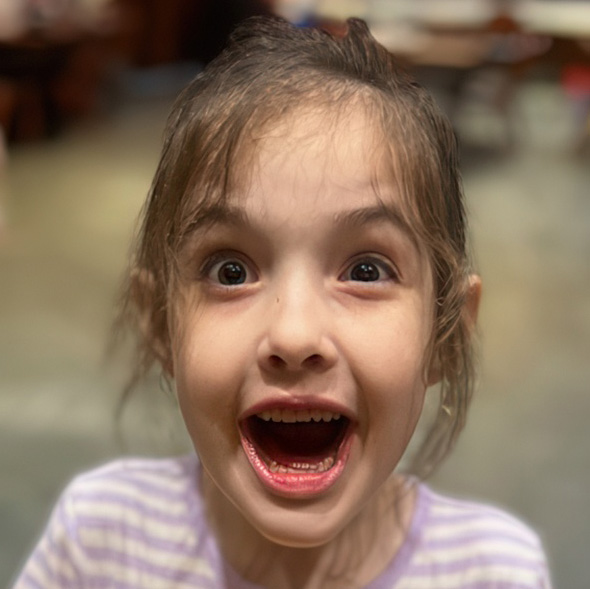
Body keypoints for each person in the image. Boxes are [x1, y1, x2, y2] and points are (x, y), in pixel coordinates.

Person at [12, 16, 552, 589]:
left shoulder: (494, 572)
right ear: (161, 327)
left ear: (445, 336)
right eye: (231, 271)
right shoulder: (99, 542)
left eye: (366, 271)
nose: (294, 336)